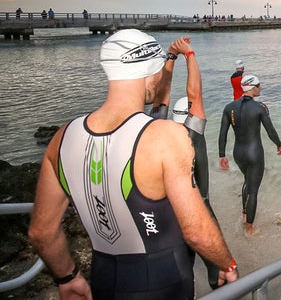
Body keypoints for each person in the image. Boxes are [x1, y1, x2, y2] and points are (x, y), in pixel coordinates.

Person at [28, 29, 238, 300]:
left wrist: (68, 278)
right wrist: (227, 264)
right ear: (150, 72)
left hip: (103, 279)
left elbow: (41, 233)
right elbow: (196, 231)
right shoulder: (165, 136)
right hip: (164, 281)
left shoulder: (62, 138)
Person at [150, 36, 222, 289]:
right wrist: (189, 54)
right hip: (200, 212)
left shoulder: (157, 130)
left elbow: (161, 96)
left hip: (169, 215)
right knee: (219, 274)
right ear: (190, 114)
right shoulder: (193, 135)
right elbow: (195, 94)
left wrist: (170, 56)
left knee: (181, 272)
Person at [218, 75, 281, 236]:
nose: (260, 88)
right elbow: (270, 131)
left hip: (238, 153)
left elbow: (222, 134)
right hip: (254, 154)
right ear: (252, 87)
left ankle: (244, 213)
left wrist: (222, 155)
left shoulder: (229, 107)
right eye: (258, 85)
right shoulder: (260, 107)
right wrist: (279, 143)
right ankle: (249, 229)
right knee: (253, 190)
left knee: (247, 181)